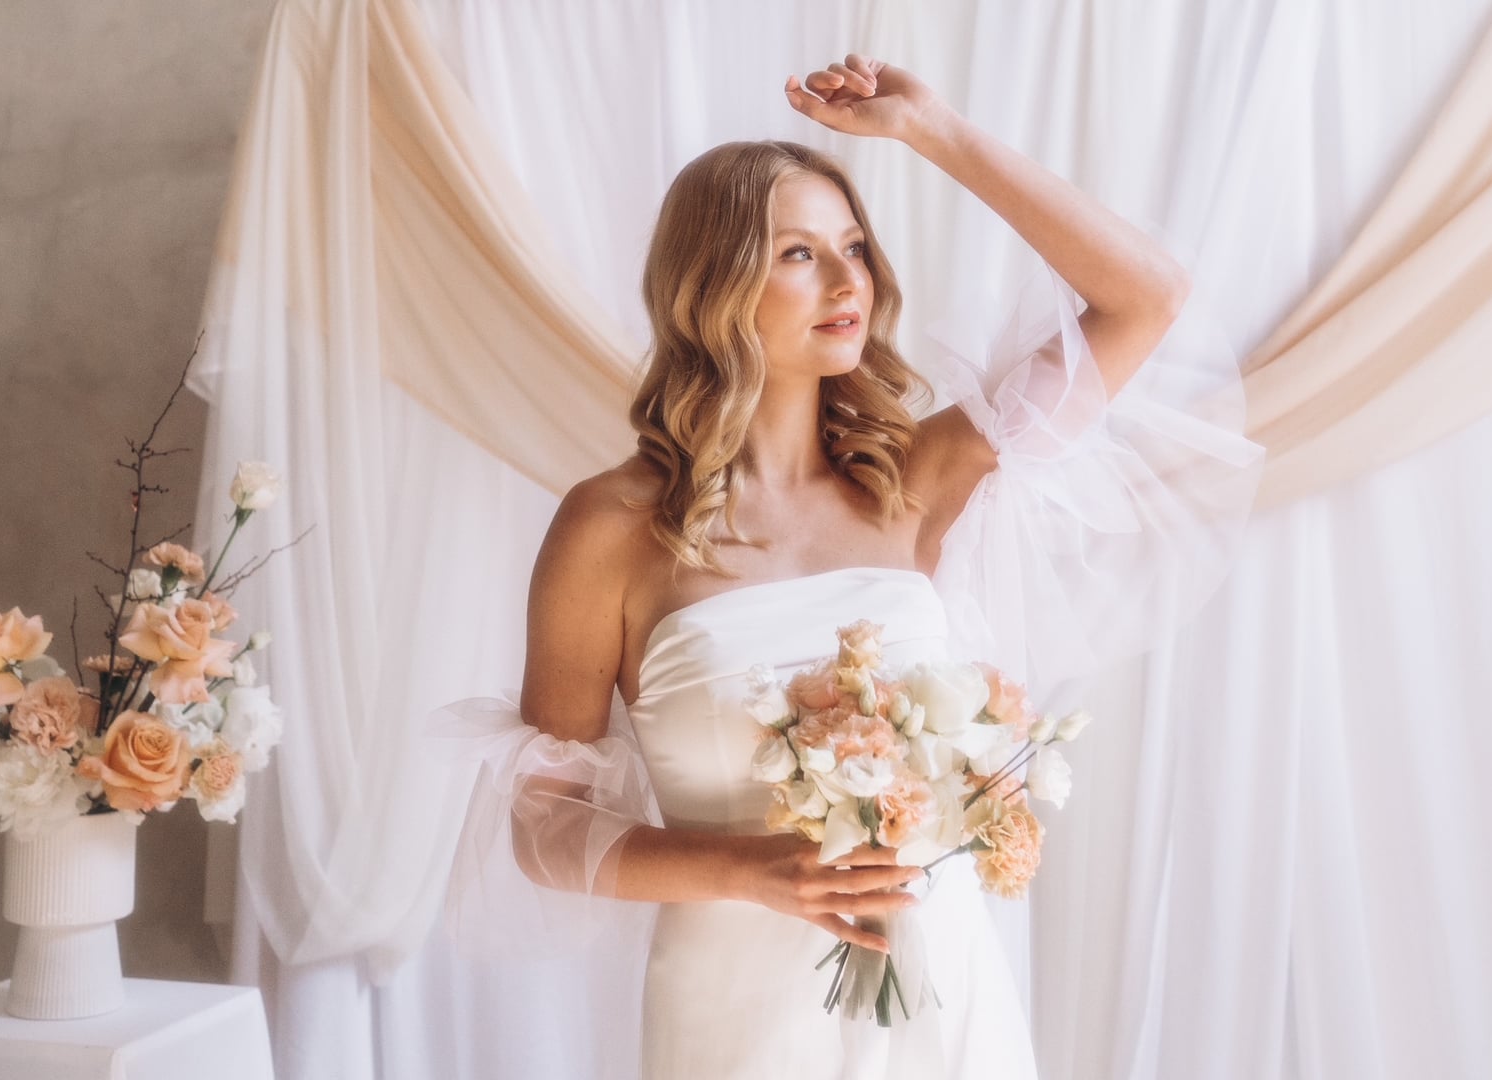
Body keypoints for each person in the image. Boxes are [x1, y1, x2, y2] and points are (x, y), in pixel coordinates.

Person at [436, 54, 1259, 1080]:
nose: (845, 282)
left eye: (854, 248)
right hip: (736, 1014)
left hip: (942, 990)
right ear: (714, 285)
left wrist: (934, 133)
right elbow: (544, 829)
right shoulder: (611, 528)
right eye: (798, 253)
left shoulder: (918, 480)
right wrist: (747, 867)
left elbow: (1144, 299)